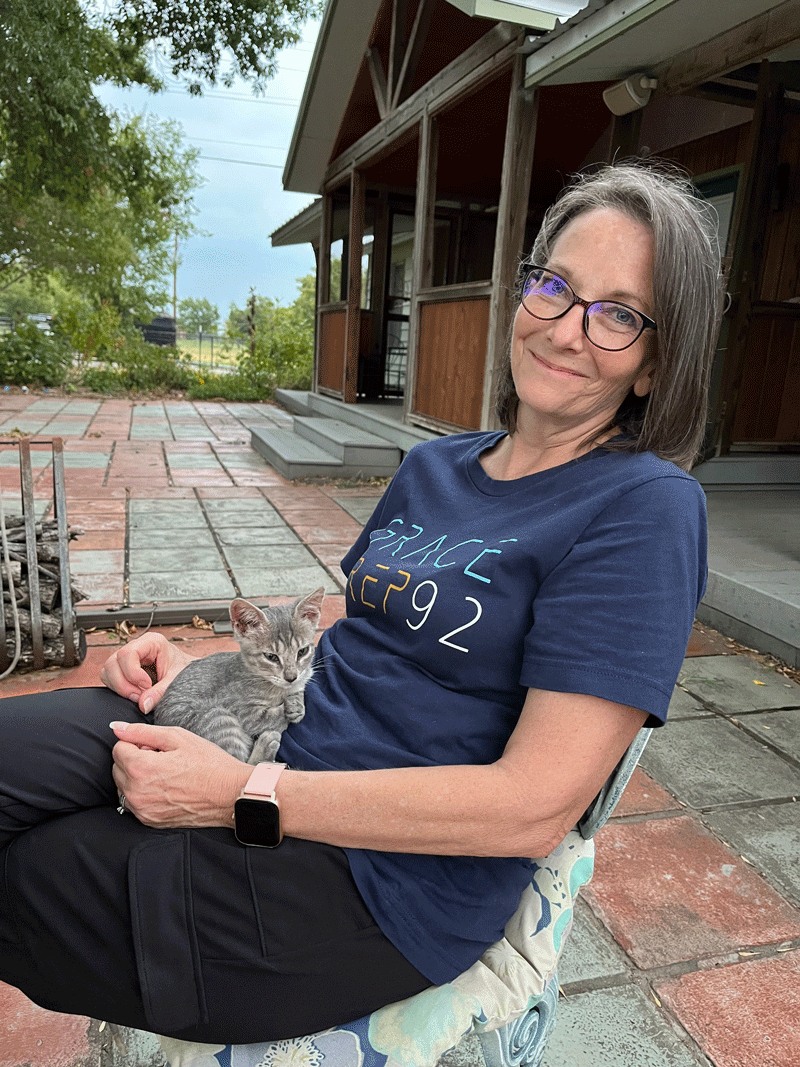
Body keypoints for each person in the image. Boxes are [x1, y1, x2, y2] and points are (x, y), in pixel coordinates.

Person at [0, 162, 724, 1044]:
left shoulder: (644, 508)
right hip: (273, 733)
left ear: (654, 363)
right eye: (555, 285)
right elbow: (363, 625)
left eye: (617, 313)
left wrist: (244, 793)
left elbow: (532, 805)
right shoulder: (434, 466)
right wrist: (221, 673)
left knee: (28, 874)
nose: (568, 328)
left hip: (368, 882)